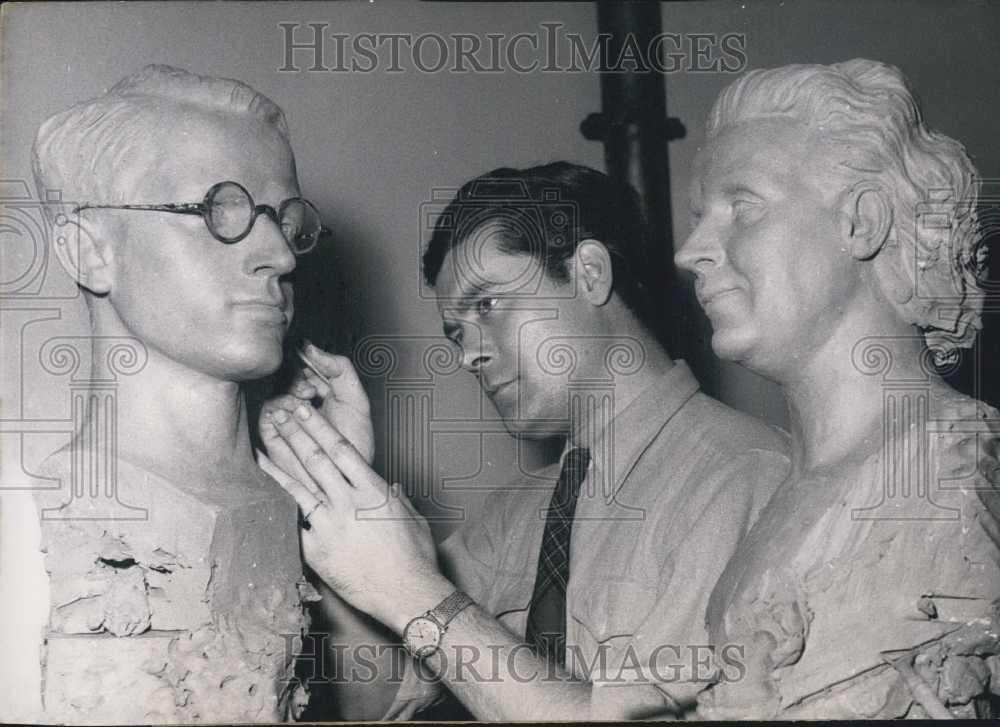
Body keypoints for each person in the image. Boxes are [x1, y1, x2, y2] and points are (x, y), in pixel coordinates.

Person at [258, 163, 791, 719]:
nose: (468, 354)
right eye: (457, 332)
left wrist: (414, 591)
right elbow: (378, 699)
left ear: (588, 273)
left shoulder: (748, 480)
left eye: (487, 305)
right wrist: (337, 494)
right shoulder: (511, 515)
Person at [673, 58, 1000, 718]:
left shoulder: (959, 468)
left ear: (861, 222)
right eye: (700, 214)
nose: (691, 251)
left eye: (743, 206)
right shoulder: (783, 494)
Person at [5, 64, 324, 723]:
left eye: (287, 222)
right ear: (90, 251)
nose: (282, 257)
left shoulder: (294, 504)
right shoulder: (23, 528)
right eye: (219, 211)